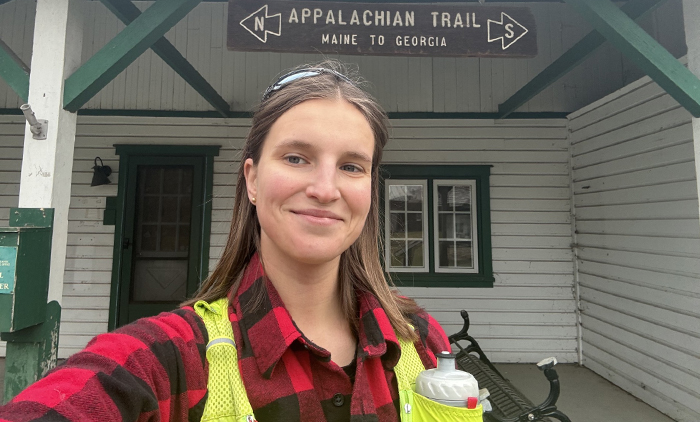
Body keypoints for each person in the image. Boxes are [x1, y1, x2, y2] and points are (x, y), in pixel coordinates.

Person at [0, 61, 450, 422]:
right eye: (296, 158)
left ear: (371, 187)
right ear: (252, 179)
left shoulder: (422, 339)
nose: (325, 188)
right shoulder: (169, 359)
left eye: (352, 166)